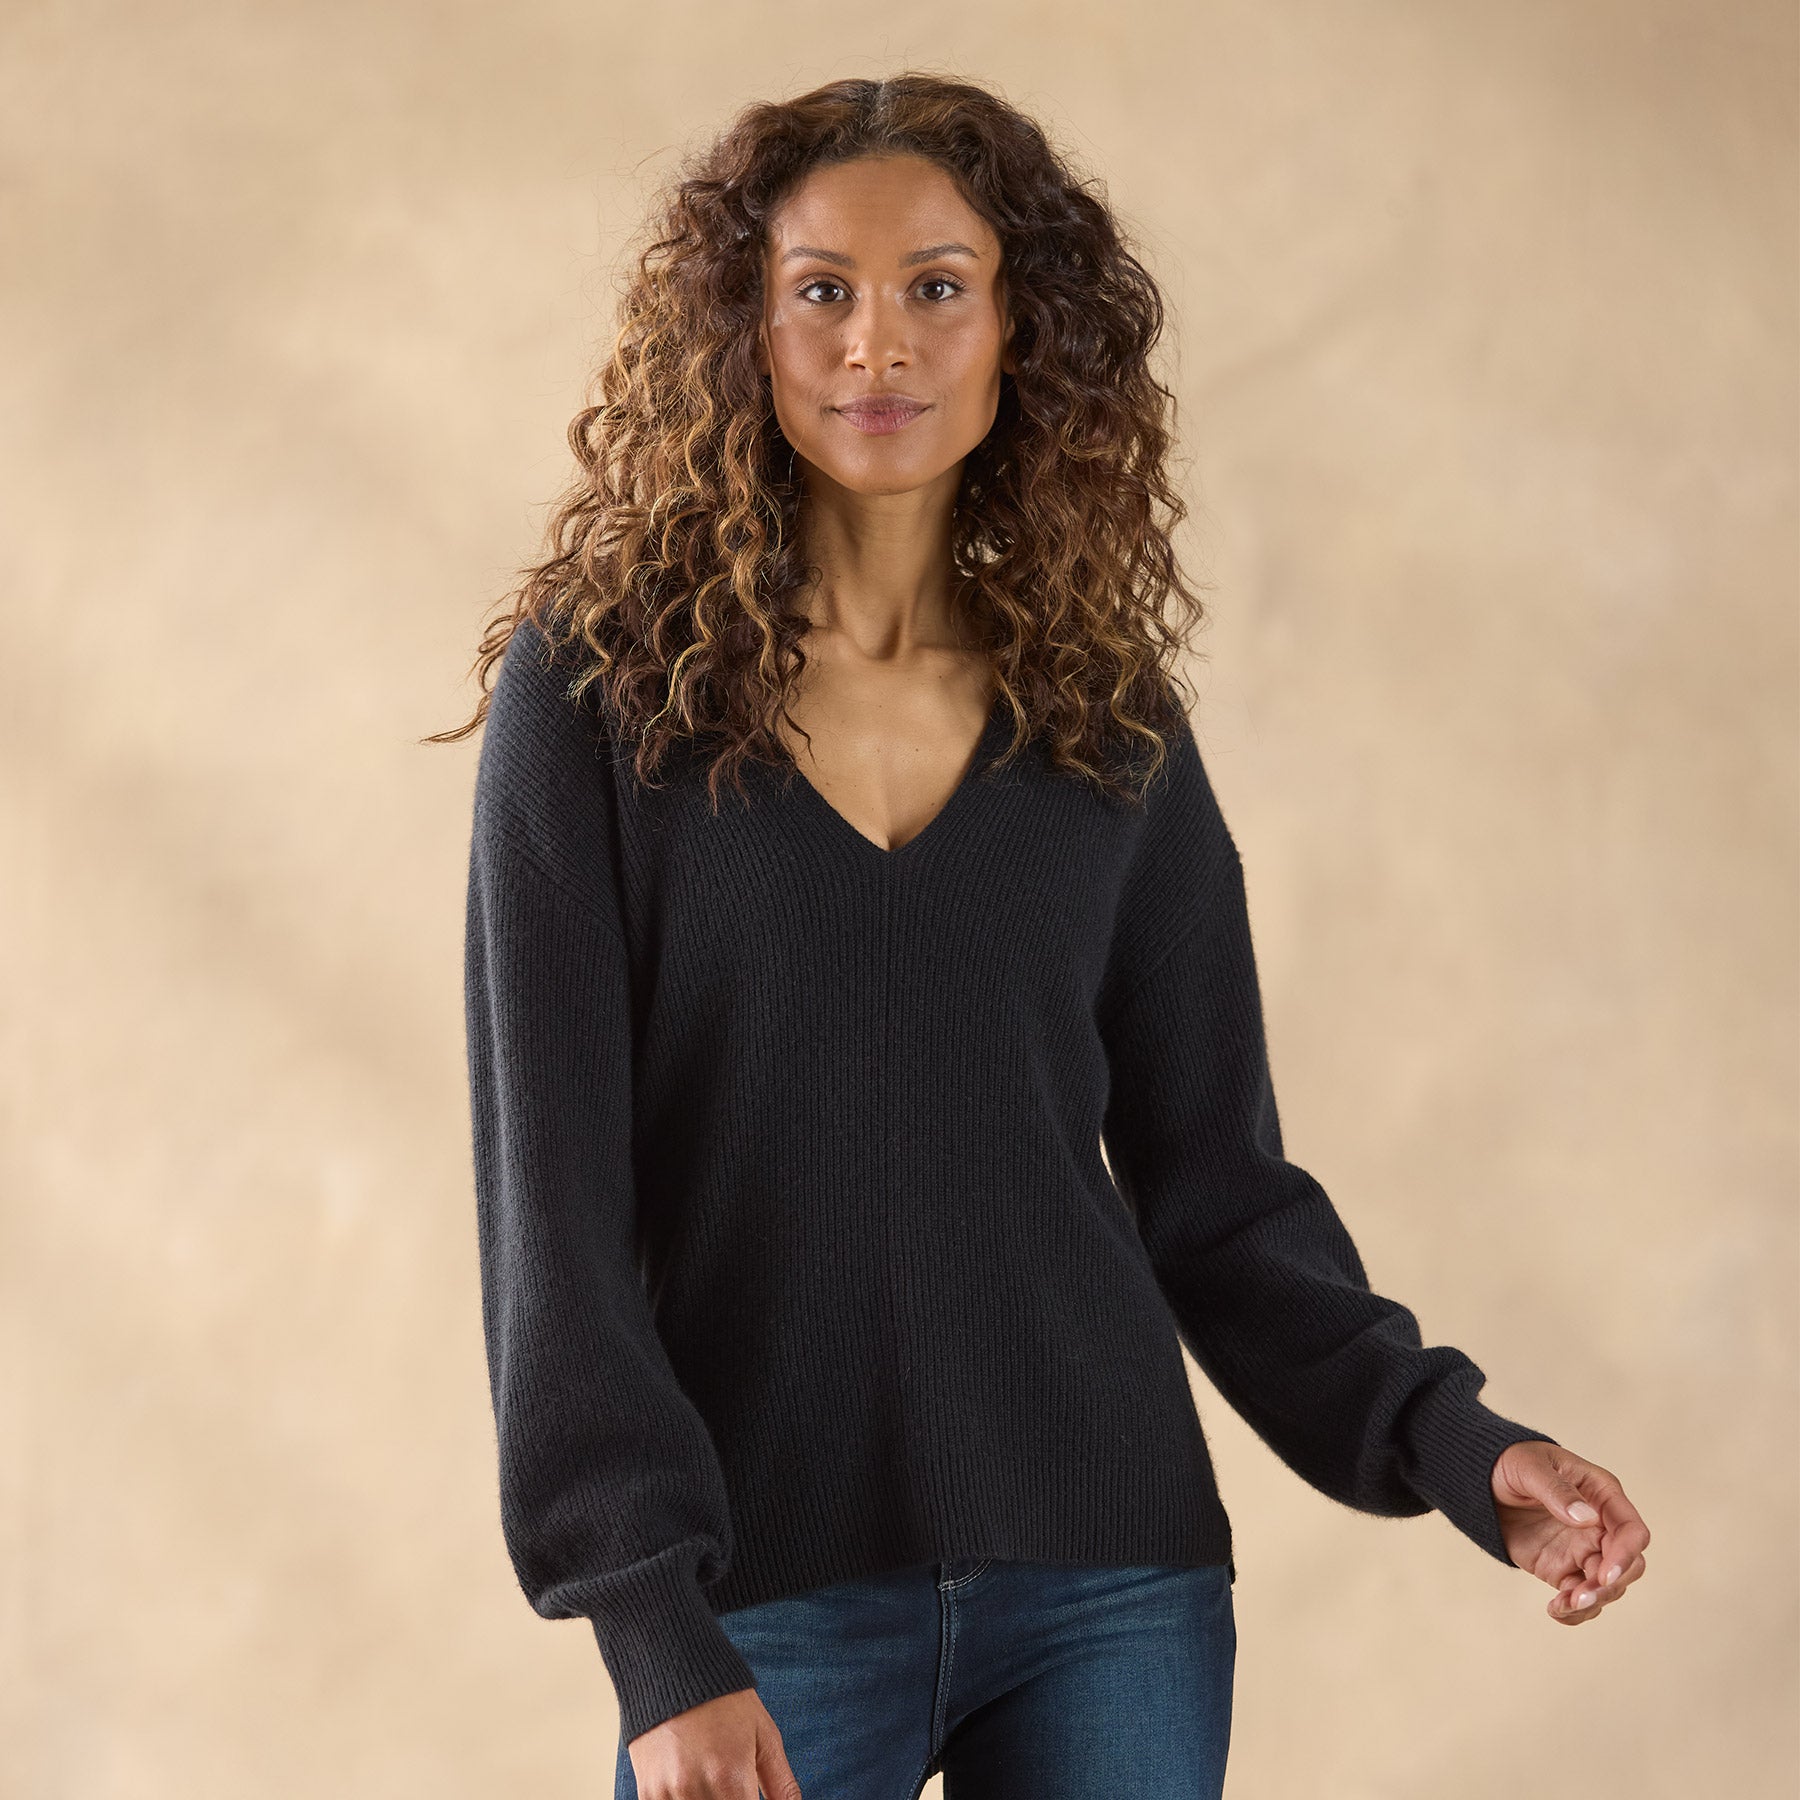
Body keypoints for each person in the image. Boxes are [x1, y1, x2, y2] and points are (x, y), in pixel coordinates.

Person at [437, 72, 1650, 1800]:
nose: (877, 343)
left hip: (1114, 1588)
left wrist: (1453, 1445)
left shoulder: (1106, 717)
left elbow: (1219, 1190)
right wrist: (654, 1629)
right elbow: (551, 1209)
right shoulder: (600, 700)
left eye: (936, 286)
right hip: (761, 1605)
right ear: (741, 327)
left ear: (1021, 327)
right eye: (821, 289)